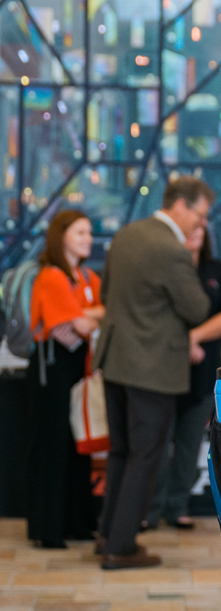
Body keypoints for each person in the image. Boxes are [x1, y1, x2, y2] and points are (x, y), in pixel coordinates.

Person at [94, 177, 213, 569]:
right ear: (179, 205)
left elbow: (107, 293)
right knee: (146, 457)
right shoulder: (171, 249)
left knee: (121, 452)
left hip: (115, 360)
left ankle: (107, 536)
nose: (201, 225)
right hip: (152, 368)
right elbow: (197, 309)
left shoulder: (126, 235)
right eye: (200, 215)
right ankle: (121, 547)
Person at [145, 224, 221, 531]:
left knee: (188, 444)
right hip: (162, 371)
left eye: (200, 227)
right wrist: (181, 343)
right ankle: (150, 508)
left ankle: (178, 506)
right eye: (189, 227)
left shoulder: (216, 269)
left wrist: (192, 338)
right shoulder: (164, 268)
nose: (195, 232)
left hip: (201, 371)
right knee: (156, 445)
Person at [24, 210, 104, 549]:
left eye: (89, 232)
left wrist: (86, 315)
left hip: (78, 371)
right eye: (80, 232)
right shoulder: (52, 277)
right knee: (54, 449)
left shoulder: (86, 276)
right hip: (51, 372)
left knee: (78, 448)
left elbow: (103, 311)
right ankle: (49, 529)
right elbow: (79, 327)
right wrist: (90, 316)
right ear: (61, 236)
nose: (88, 238)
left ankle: (76, 523)